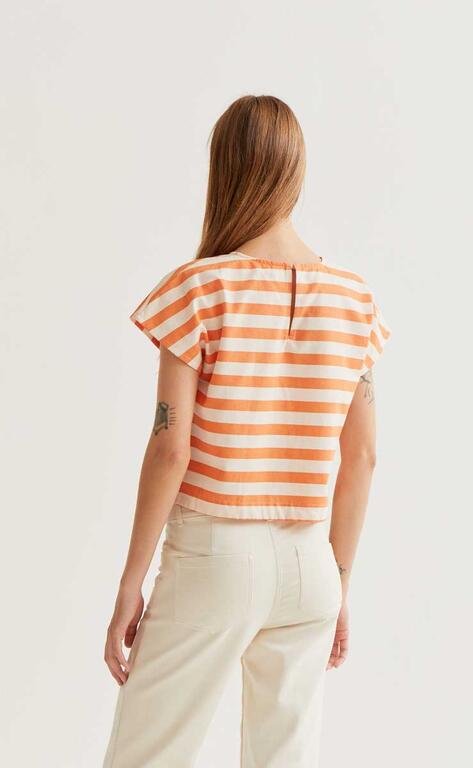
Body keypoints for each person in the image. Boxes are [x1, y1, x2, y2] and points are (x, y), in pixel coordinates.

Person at [102, 94, 392, 767]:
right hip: (310, 564)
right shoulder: (354, 300)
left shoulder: (198, 289)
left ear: (225, 171)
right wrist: (338, 581)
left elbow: (171, 448)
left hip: (215, 556)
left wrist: (130, 584)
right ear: (295, 172)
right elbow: (363, 457)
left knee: (146, 756)